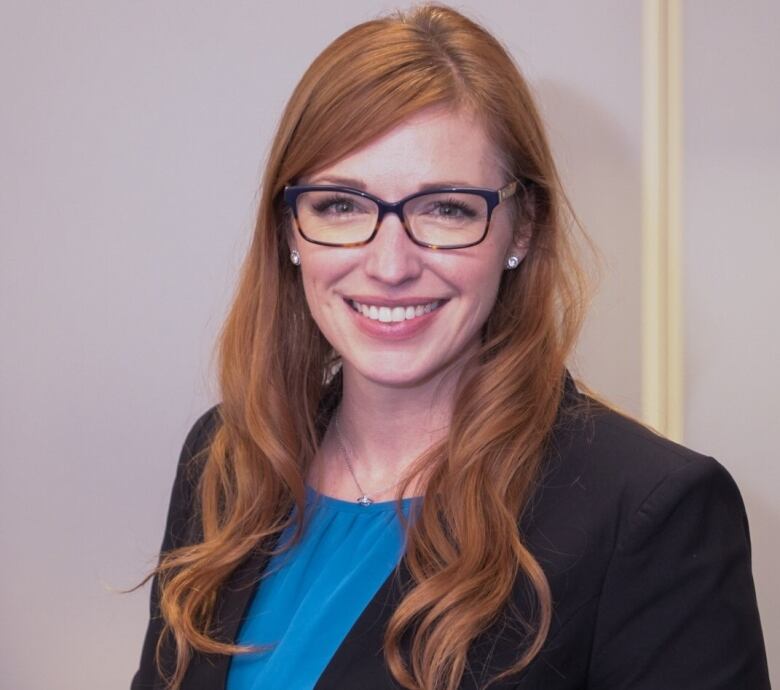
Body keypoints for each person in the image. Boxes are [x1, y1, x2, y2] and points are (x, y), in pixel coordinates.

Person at [129, 4, 771, 690]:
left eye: (446, 208)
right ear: (289, 229)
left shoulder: (649, 513)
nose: (390, 263)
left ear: (521, 229)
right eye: (341, 205)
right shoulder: (230, 457)